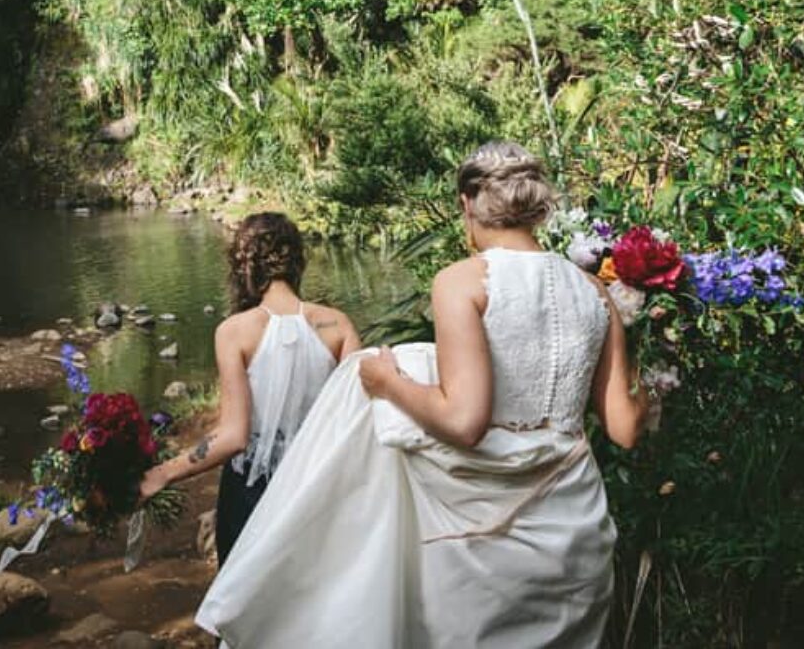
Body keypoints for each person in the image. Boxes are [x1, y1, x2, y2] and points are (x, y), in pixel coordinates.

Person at [196, 141, 653, 648]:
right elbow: (626, 429)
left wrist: (387, 381)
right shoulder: (595, 292)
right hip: (573, 529)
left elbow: (464, 421)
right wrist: (659, 370)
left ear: (467, 204)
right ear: (536, 206)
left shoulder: (462, 282)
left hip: (482, 540)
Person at [138, 212, 361, 561]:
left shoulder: (234, 331)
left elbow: (233, 436)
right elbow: (355, 421)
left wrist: (165, 472)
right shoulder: (338, 324)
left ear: (245, 267)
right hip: (320, 485)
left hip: (253, 494)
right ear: (297, 262)